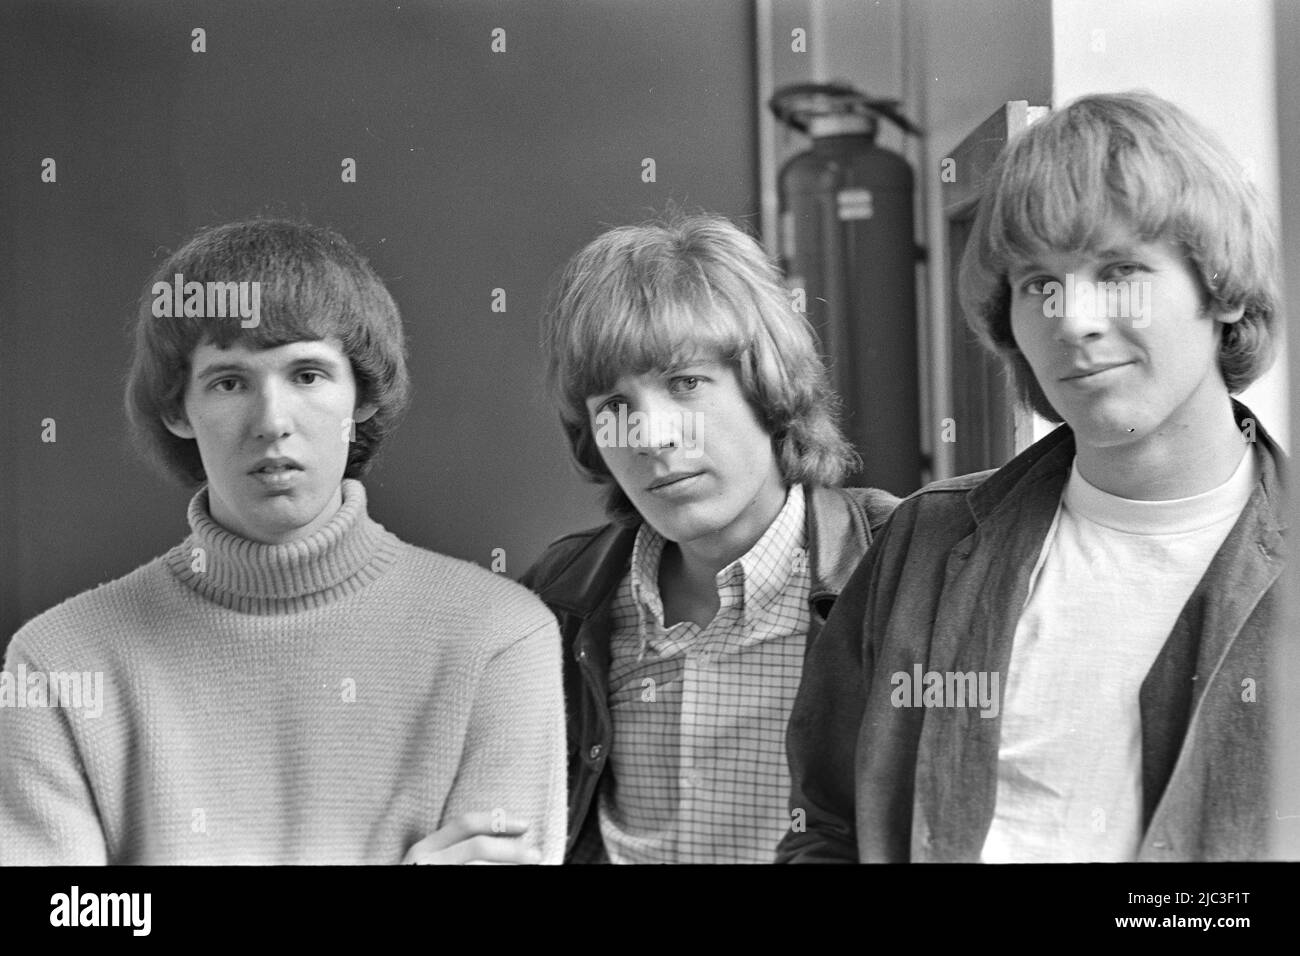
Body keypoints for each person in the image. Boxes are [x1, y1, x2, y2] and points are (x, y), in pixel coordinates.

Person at [778, 91, 1285, 863]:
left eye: (1119, 271)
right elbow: (831, 827)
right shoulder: (923, 543)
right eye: (1037, 284)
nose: (1072, 319)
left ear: (1221, 291)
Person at [0, 218, 566, 864]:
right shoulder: (57, 661)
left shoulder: (501, 638)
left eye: (307, 375)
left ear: (362, 396)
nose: (272, 422)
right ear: (177, 409)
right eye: (230, 382)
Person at [521, 213, 899, 863]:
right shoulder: (557, 597)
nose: (650, 435)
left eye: (685, 383)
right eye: (613, 407)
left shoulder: (900, 566)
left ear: (767, 385)